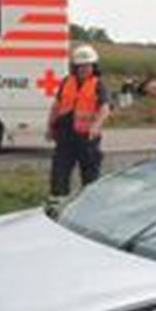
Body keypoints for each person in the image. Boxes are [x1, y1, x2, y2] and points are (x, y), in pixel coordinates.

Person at [45, 44, 111, 210]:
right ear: (74, 67)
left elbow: (105, 107)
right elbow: (57, 105)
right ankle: (57, 208)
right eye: (80, 66)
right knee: (59, 174)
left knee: (90, 177)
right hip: (65, 137)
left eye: (87, 65)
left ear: (93, 66)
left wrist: (96, 126)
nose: (83, 69)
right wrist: (50, 126)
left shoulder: (98, 84)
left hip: (87, 138)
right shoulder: (67, 82)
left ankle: (89, 210)